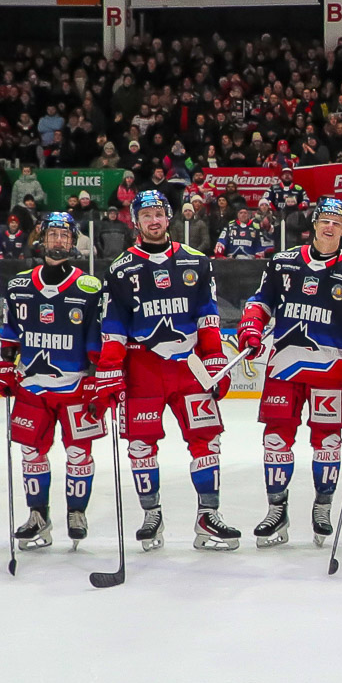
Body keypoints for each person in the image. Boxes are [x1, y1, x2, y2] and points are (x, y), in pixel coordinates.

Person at [235, 196, 342, 548]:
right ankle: (277, 509)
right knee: (275, 439)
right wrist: (251, 327)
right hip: (283, 366)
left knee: (328, 442)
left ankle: (322, 507)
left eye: (337, 222)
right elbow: (260, 301)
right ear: (314, 224)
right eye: (324, 220)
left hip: (330, 367)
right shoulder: (283, 262)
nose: (330, 226)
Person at [98, 189, 239, 552]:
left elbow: (207, 314)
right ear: (136, 221)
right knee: (141, 444)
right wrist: (110, 370)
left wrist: (214, 358)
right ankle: (152, 515)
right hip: (142, 367)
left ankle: (208, 515)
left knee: (206, 440)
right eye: (146, 215)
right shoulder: (121, 268)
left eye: (159, 214)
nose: (154, 221)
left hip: (189, 366)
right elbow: (113, 325)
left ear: (169, 217)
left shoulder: (196, 261)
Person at [0, 213, 106, 549]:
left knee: (78, 453)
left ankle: (76, 512)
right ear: (41, 239)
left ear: (73, 242)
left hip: (76, 386)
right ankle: (37, 516)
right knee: (31, 451)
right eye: (53, 235)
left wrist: (96, 379)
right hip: (32, 386)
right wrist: (4, 365)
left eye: (64, 235)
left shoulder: (89, 287)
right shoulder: (18, 286)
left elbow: (97, 339)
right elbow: (10, 333)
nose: (58, 241)